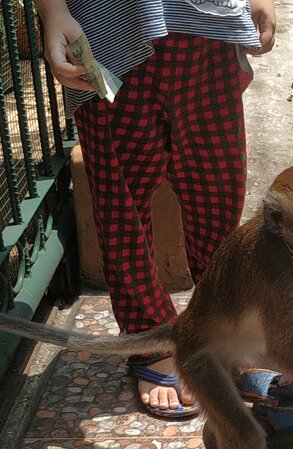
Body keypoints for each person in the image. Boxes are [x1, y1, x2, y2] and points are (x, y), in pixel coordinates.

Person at [37, 0, 276, 418]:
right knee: (121, 204)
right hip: (107, 32)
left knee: (219, 191)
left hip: (208, 30)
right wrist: (52, 11)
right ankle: (151, 339)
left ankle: (222, 327)